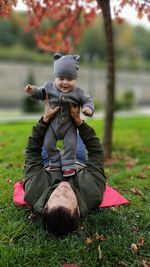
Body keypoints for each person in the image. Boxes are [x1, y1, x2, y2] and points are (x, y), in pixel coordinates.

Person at [24, 97, 106, 236]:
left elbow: (32, 152)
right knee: (73, 132)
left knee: (49, 128)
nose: (62, 190)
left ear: (45, 206)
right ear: (78, 210)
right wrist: (78, 121)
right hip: (76, 160)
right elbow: (96, 153)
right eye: (67, 198)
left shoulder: (33, 191)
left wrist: (45, 120)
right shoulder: (94, 193)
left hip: (48, 161)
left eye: (56, 197)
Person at [24, 53, 94, 177]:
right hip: (52, 126)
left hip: (69, 127)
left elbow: (87, 100)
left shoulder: (78, 93)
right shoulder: (49, 88)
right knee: (48, 144)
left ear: (75, 79)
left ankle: (68, 166)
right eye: (61, 79)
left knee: (71, 145)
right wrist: (33, 91)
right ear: (55, 78)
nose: (65, 83)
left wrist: (87, 108)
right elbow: (40, 93)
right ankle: (55, 162)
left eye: (70, 79)